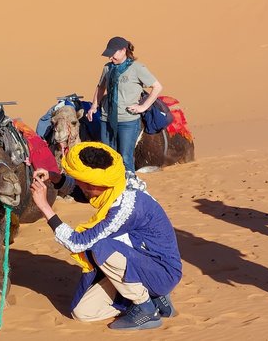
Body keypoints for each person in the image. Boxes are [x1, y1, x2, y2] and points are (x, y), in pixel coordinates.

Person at [30, 141, 182, 330]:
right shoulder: (115, 184)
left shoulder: (125, 208)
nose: (77, 182)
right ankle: (150, 296)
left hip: (161, 272)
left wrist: (44, 207)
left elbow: (78, 243)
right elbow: (84, 193)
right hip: (136, 260)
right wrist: (54, 178)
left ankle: (146, 308)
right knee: (83, 313)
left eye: (81, 180)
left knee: (101, 247)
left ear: (95, 184)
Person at [86, 36, 163, 174]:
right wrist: (93, 106)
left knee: (125, 158)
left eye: (112, 54)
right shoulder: (107, 68)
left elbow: (157, 87)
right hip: (106, 119)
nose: (110, 58)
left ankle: (129, 189)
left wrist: (143, 107)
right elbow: (100, 87)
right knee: (107, 156)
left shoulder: (137, 68)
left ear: (123, 50)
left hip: (127, 120)